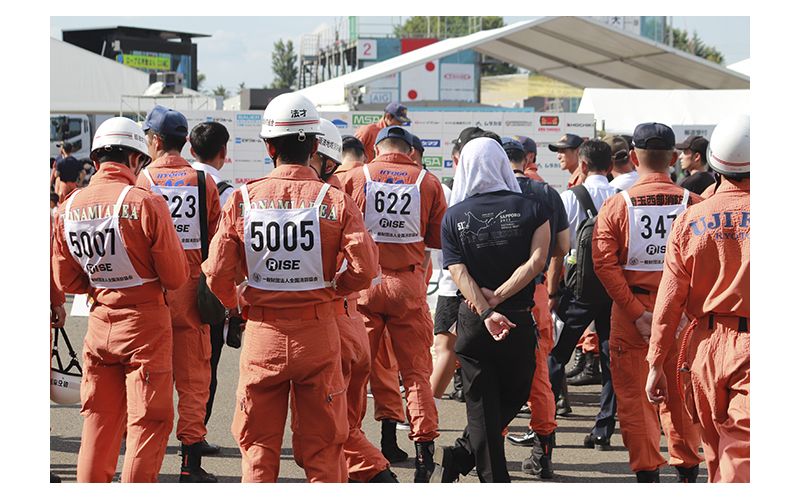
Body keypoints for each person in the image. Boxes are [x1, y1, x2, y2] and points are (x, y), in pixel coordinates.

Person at [202, 92, 379, 483]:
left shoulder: (243, 199)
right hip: (318, 334)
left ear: (268, 146)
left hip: (262, 333)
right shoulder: (334, 200)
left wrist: (236, 306)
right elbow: (366, 269)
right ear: (315, 146)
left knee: (258, 450)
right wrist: (335, 288)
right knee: (324, 450)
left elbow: (216, 273)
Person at [51, 117, 190, 482]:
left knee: (99, 419)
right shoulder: (146, 203)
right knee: (148, 420)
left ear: (95, 160)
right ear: (135, 159)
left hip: (99, 323)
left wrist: (102, 282)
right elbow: (175, 277)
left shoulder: (67, 207)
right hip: (146, 325)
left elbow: (65, 279)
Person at [430, 137, 551, 482]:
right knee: (516, 393)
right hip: (517, 315)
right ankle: (494, 480)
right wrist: (499, 299)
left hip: (473, 320)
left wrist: (485, 308)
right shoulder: (533, 207)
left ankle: (461, 455)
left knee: (484, 407)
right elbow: (538, 261)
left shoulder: (454, 215)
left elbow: (457, 271)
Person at [593, 122, 705, 483]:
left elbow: (603, 264)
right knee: (681, 397)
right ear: (673, 158)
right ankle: (688, 473)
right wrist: (687, 312)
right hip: (684, 315)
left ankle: (647, 480)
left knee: (635, 402)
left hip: (632, 313)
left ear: (634, 157)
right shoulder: (697, 205)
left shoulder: (615, 206)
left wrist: (636, 313)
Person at [340, 124, 448, 482]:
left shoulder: (358, 176)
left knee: (357, 372)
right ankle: (424, 454)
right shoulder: (427, 182)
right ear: (410, 151)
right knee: (416, 373)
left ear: (377, 149)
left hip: (366, 284)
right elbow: (437, 236)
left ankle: (353, 448)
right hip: (408, 284)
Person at [646, 114, 750, 483]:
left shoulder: (690, 220)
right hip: (752, 348)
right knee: (740, 454)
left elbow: (670, 300)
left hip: (703, 348)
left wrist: (656, 362)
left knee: (718, 452)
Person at [298, 118, 397, 482]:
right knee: (345, 424)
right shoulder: (342, 196)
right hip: (352, 322)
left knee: (331, 429)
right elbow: (365, 265)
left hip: (328, 326)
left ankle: (381, 478)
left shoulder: (320, 198)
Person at [136, 105, 221, 482]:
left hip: (151, 293)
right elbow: (219, 240)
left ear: (154, 141)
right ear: (183, 142)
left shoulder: (139, 183)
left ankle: (143, 468)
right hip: (191, 292)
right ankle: (191, 465)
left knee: (147, 380)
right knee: (193, 381)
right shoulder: (204, 182)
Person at [337, 134, 408, 463]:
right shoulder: (373, 179)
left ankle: (351, 438)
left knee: (351, 371)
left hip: (350, 294)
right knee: (385, 366)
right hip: (397, 281)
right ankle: (390, 440)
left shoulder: (338, 182)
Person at [501, 138, 570, 479]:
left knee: (492, 373)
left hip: (492, 295)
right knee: (539, 371)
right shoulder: (547, 193)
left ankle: (491, 455)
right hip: (535, 291)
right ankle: (543, 454)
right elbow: (563, 246)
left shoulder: (486, 190)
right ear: (526, 159)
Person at [547, 138, 619, 452]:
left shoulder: (569, 198)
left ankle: (544, 427)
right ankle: (603, 429)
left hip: (576, 291)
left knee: (554, 356)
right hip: (615, 292)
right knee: (611, 360)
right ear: (612, 166)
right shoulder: (622, 197)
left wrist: (551, 292)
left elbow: (557, 252)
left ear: (583, 165)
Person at [188, 120, 241, 440]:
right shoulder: (229, 193)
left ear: (191, 150)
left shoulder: (161, 184)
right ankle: (195, 437)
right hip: (211, 295)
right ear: (223, 151)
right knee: (207, 366)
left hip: (165, 289)